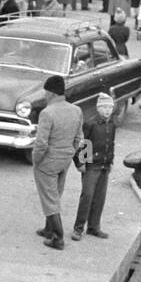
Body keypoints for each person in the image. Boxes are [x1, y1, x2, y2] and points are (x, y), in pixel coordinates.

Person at [32, 75, 83, 251]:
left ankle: (58, 238)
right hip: (65, 160)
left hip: (48, 162)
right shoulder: (76, 110)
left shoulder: (47, 113)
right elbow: (79, 138)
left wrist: (36, 160)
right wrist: (71, 154)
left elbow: (41, 143)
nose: (45, 95)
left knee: (49, 198)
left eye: (46, 92)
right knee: (56, 193)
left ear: (52, 93)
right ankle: (48, 229)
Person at [72, 92, 115, 239]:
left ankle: (93, 227)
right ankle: (78, 228)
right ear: (98, 109)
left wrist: (111, 161)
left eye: (110, 107)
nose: (108, 110)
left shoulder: (112, 124)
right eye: (105, 108)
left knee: (100, 197)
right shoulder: (91, 124)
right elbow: (84, 143)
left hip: (105, 165)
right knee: (87, 196)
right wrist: (81, 163)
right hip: (92, 166)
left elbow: (111, 144)